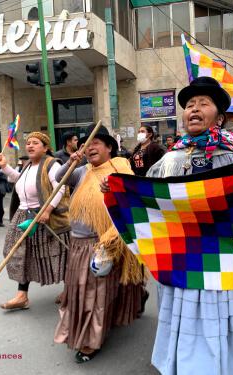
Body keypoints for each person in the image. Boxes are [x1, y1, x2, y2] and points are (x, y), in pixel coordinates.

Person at [142, 77, 233, 375]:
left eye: (203, 103)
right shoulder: (169, 160)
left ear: (220, 117)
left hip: (226, 257)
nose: (194, 109)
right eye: (189, 105)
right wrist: (116, 192)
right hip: (182, 257)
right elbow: (147, 199)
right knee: (183, 316)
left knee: (223, 315)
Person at [54, 124, 145, 363]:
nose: (90, 147)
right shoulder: (81, 170)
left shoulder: (120, 167)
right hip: (78, 244)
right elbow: (57, 177)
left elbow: (132, 199)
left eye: (96, 142)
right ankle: (134, 300)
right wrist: (71, 161)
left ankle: (90, 342)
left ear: (109, 147)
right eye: (86, 144)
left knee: (95, 295)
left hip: (104, 242)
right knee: (83, 291)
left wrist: (115, 188)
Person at [0, 132, 70, 310]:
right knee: (19, 252)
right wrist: (5, 166)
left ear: (45, 147)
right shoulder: (28, 165)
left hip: (45, 217)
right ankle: (22, 296)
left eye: (35, 143)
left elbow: (60, 187)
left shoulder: (51, 164)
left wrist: (47, 209)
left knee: (57, 254)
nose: (30, 146)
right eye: (28, 143)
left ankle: (69, 290)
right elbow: (19, 180)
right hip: (23, 215)